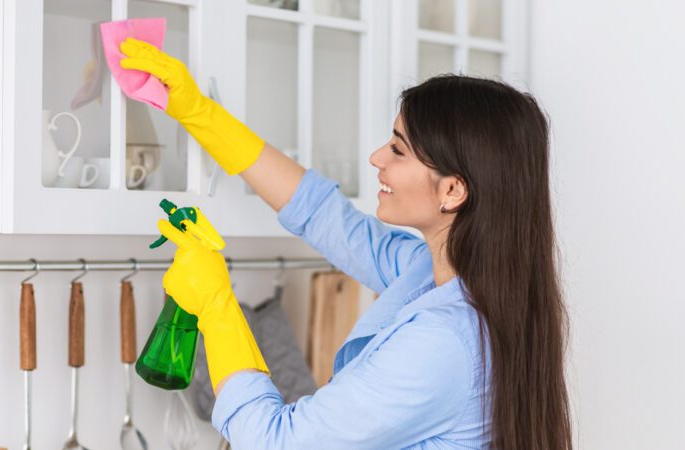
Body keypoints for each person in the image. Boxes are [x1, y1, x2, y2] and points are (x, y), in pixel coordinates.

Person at [119, 37, 573, 450]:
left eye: (398, 149)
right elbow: (322, 214)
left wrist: (217, 305)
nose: (377, 157)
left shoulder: (444, 343)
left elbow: (273, 442)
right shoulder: (435, 274)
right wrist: (198, 111)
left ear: (453, 191)